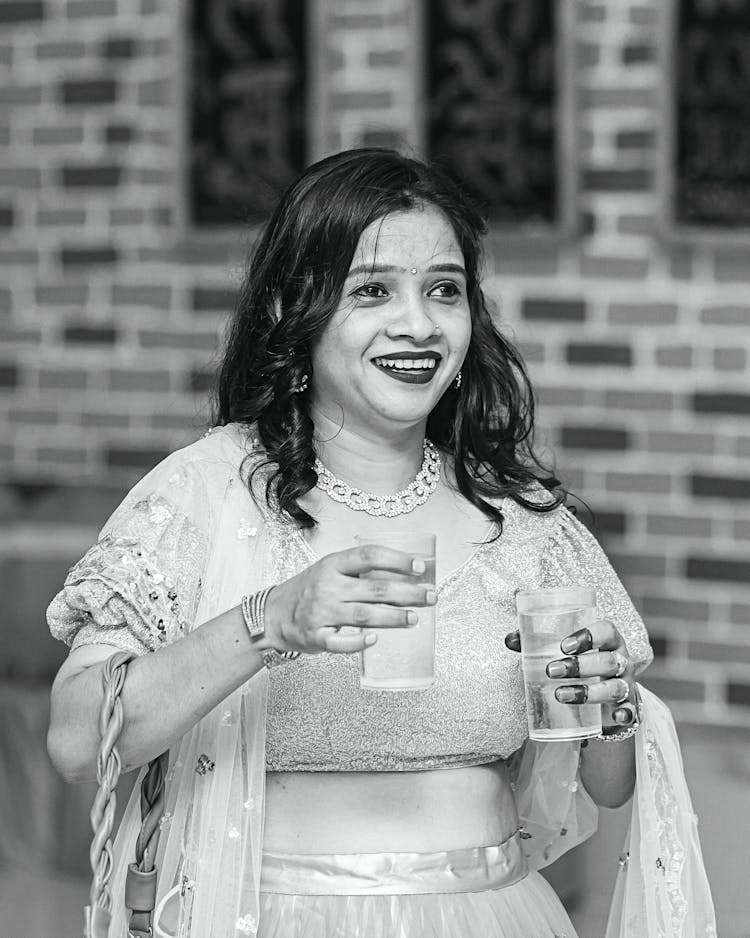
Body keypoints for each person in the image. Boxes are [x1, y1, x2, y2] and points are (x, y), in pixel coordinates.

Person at [47, 148, 715, 938]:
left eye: (444, 290)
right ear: (291, 312)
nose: (419, 323)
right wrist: (269, 622)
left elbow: (609, 786)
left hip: (493, 914)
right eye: (372, 291)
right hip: (266, 916)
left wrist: (604, 699)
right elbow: (75, 739)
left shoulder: (525, 520)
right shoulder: (205, 493)